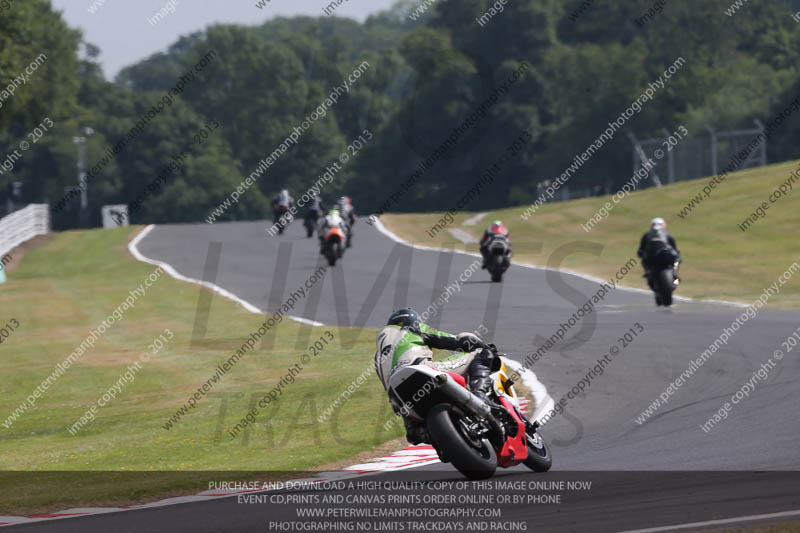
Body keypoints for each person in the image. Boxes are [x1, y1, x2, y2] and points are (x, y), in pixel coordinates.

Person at [373, 307, 497, 445]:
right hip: (422, 370)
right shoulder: (412, 328)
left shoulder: (377, 357)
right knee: (481, 353)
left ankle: (422, 433)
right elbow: (455, 340)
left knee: (414, 430)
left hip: (398, 397)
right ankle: (481, 397)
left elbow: (387, 386)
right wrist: (478, 343)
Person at [637, 217, 681, 290]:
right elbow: (675, 248)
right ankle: (675, 273)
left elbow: (641, 250)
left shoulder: (647, 234)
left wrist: (641, 254)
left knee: (644, 261)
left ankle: (648, 273)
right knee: (677, 260)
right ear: (664, 225)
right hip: (667, 256)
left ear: (651, 225)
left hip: (652, 257)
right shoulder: (668, 234)